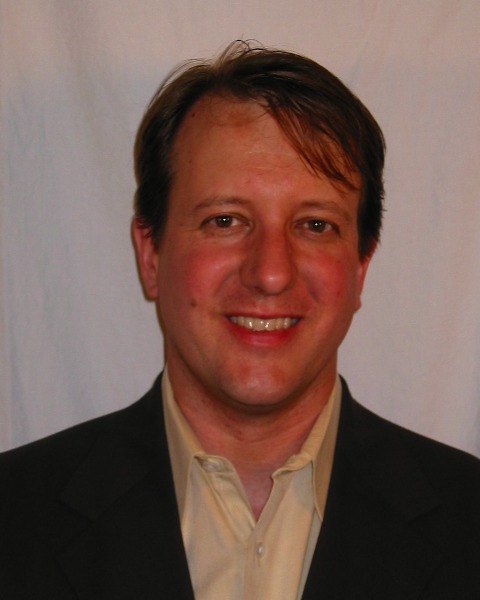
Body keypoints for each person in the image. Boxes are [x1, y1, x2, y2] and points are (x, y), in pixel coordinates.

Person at [1, 41, 480, 600]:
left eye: (316, 225)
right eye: (225, 220)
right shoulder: (15, 516)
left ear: (360, 267)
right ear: (150, 255)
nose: (271, 273)